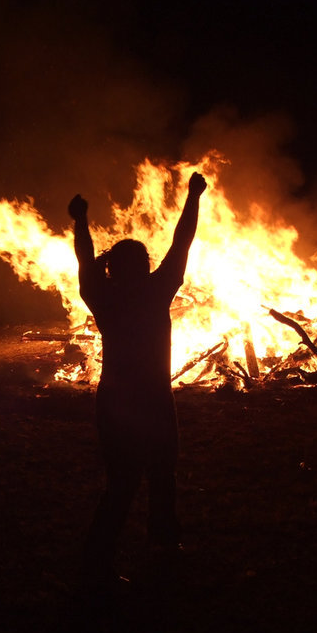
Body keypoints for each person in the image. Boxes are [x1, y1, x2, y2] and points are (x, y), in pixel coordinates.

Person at [68, 171, 207, 598]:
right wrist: (193, 197)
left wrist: (80, 221)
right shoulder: (154, 291)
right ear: (138, 268)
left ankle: (160, 542)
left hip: (118, 403)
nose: (149, 266)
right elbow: (182, 242)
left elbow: (85, 260)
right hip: (147, 401)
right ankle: (102, 561)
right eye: (144, 263)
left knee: (143, 476)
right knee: (144, 476)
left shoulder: (103, 296)